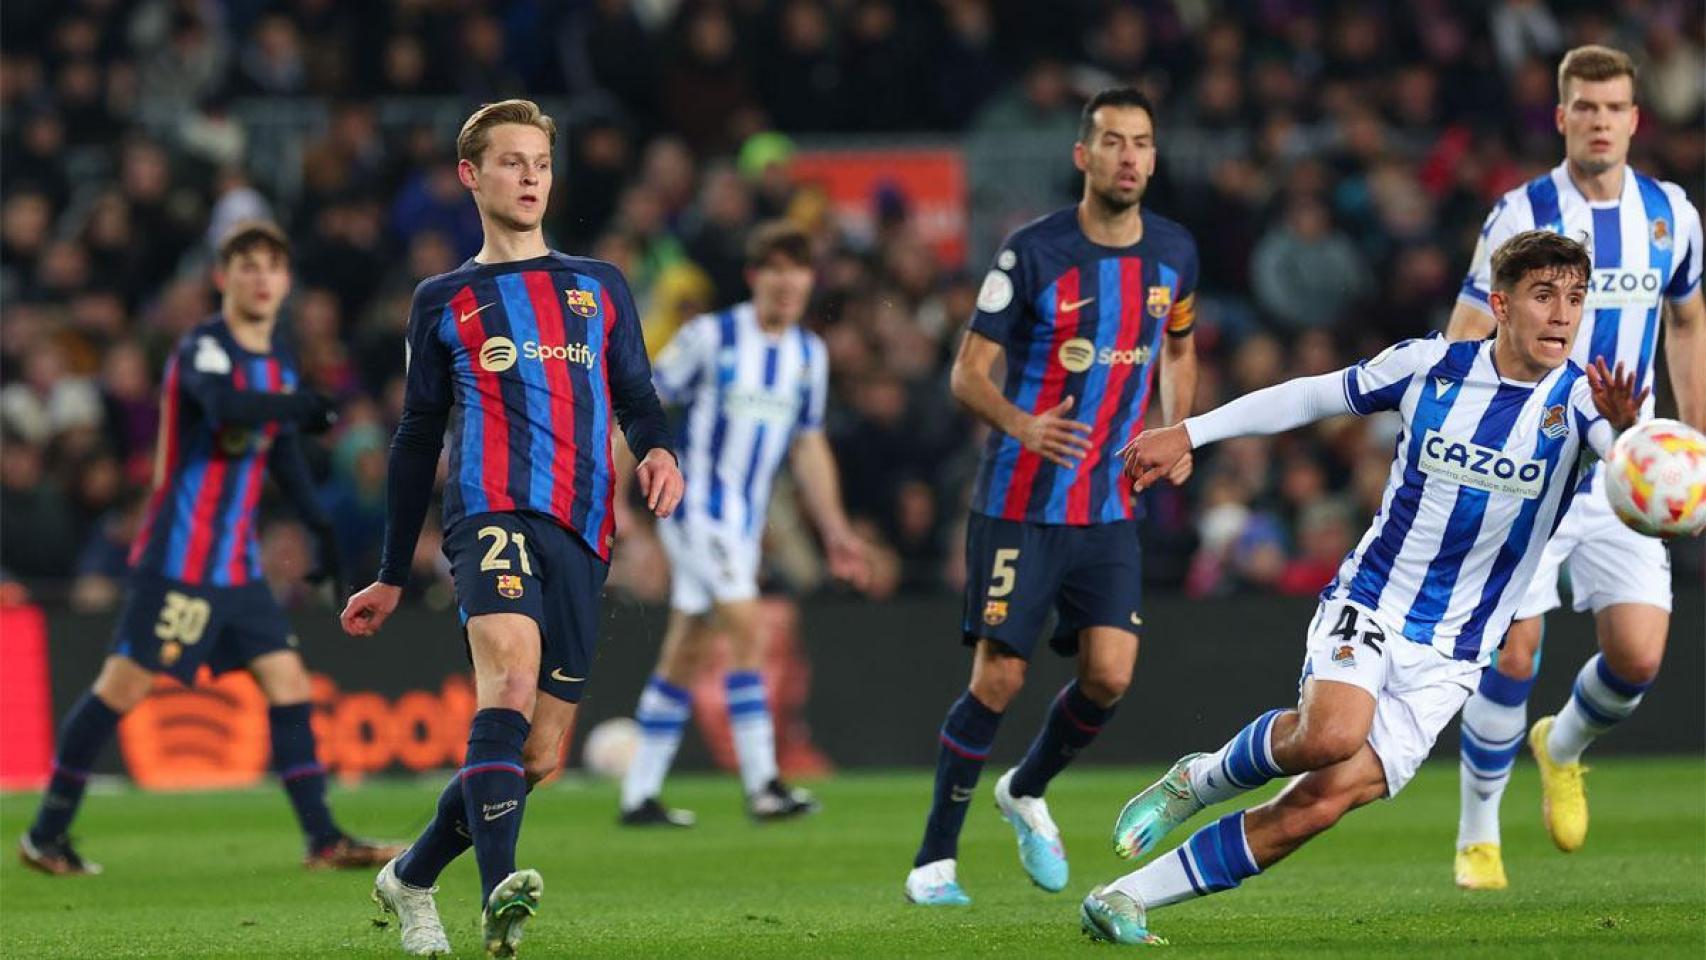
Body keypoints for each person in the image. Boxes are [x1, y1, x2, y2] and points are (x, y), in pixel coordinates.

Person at [1081, 231, 1646, 945]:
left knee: (1318, 806)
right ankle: (1201, 779)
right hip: (1374, 602)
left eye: (1573, 298)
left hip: (1457, 651)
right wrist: (1190, 432)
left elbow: (1639, 481)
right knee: (1330, 735)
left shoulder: (1587, 405)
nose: (1562, 315)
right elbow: (1309, 397)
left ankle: (1123, 898)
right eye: (1543, 296)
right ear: (1500, 305)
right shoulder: (1429, 366)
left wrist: (1632, 437)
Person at [339, 100, 682, 958]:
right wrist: (389, 570)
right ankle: (501, 895)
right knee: (511, 677)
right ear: (472, 175)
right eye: (511, 162)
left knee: (536, 756)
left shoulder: (598, 285)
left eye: (540, 163)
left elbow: (637, 394)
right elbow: (417, 436)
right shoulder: (443, 300)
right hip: (486, 509)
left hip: (583, 523)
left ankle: (411, 877)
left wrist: (660, 452)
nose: (530, 177)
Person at [18, 220, 400, 876]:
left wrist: (323, 530)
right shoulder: (204, 349)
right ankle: (45, 834)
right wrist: (295, 404)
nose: (260, 278)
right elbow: (224, 408)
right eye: (246, 266)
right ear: (223, 279)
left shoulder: (276, 361)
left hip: (237, 569)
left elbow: (279, 448)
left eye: (271, 267)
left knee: (287, 682)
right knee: (123, 685)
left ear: (285, 282)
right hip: (180, 561)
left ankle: (324, 839)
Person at [904, 86, 1200, 906]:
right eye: (1113, 141)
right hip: (1020, 502)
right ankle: (934, 861)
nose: (1129, 157)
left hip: (1107, 507)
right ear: (1084, 155)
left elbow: (1179, 346)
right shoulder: (1031, 252)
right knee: (998, 680)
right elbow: (967, 373)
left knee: (1109, 676)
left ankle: (1026, 787)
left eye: (1142, 142)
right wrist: (1023, 424)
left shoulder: (1175, 252)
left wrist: (1178, 429)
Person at [1445, 45, 1704, 890]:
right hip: (1531, 467)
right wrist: (1458, 438)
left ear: (1636, 118)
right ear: (1561, 118)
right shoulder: (1522, 212)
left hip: (1626, 465)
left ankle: (1560, 748)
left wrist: (1693, 441)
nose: (1600, 121)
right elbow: (1466, 326)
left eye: (1614, 107)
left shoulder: (1671, 215)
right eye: (1584, 108)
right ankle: (1478, 834)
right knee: (1513, 647)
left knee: (1635, 659)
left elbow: (1689, 323)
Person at [618, 221, 868, 828]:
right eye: (776, 270)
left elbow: (809, 447)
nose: (788, 283)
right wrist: (617, 502)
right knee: (748, 629)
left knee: (689, 647)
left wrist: (834, 530)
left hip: (743, 521)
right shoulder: (710, 336)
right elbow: (642, 403)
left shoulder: (809, 354)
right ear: (756, 277)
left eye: (799, 271)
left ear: (810, 281)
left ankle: (639, 795)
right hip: (696, 505)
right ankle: (764, 785)